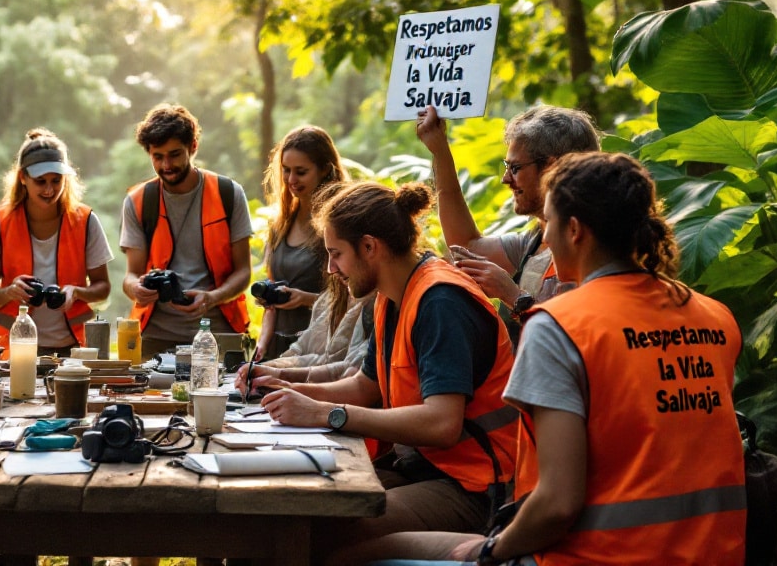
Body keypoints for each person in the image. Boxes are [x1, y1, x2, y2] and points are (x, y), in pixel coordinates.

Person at [366, 153, 746, 565]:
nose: (543, 239)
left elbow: (557, 504)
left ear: (575, 230)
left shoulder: (560, 326)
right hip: (714, 553)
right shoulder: (714, 316)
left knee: (358, 554)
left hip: (593, 555)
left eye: (546, 224)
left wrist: (492, 547)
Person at [255, 181, 517, 563]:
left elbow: (442, 423)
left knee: (309, 536)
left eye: (335, 254)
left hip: (474, 489)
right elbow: (365, 387)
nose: (331, 269)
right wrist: (284, 388)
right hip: (422, 469)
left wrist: (326, 413)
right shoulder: (392, 295)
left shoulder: (441, 302)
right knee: (275, 517)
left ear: (369, 247)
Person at [415, 104, 599, 325]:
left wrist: (513, 296)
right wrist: (440, 150)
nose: (505, 179)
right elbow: (467, 246)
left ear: (552, 169)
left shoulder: (596, 247)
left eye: (515, 168)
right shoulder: (535, 243)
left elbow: (581, 334)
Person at [120, 104, 253, 359]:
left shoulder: (228, 193)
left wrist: (212, 298)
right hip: (156, 336)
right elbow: (130, 276)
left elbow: (244, 271)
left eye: (174, 154)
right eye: (157, 157)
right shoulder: (138, 201)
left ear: (193, 147)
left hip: (219, 334)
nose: (166, 165)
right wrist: (136, 289)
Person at [0, 129, 113, 356]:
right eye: (40, 181)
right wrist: (10, 291)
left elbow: (103, 289)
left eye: (56, 181)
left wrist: (76, 292)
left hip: (76, 348)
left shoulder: (86, 221)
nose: (49, 190)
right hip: (15, 349)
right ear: (22, 178)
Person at [254, 126, 348, 360]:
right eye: (286, 170)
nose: (291, 180)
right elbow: (272, 305)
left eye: (301, 171)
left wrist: (307, 299)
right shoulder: (280, 224)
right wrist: (261, 347)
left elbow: (357, 300)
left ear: (325, 169)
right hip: (278, 350)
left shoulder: (341, 222)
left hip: (321, 351)